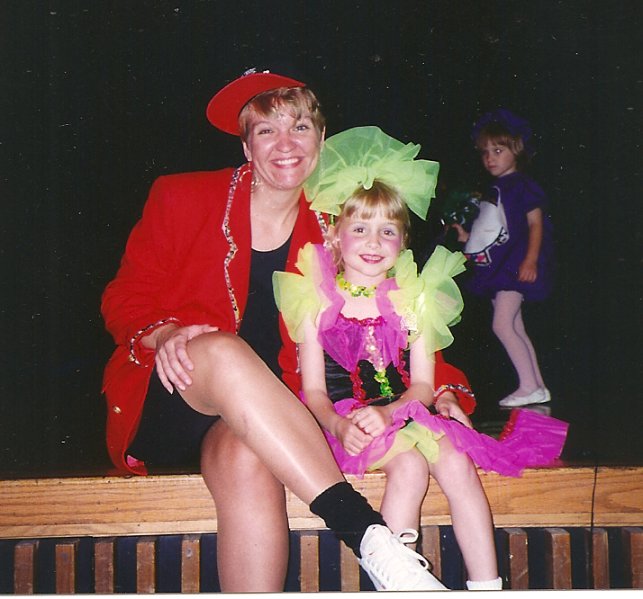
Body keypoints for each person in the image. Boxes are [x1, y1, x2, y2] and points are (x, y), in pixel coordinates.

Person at [101, 70, 463, 591]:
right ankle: (368, 536)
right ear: (246, 145)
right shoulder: (183, 197)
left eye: (299, 127)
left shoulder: (337, 223)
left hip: (272, 420)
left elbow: (397, 311)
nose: (286, 144)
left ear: (321, 139)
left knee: (246, 456)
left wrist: (442, 386)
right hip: (178, 390)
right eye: (267, 130)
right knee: (223, 350)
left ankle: (374, 554)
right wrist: (164, 332)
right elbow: (123, 296)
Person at [274, 126, 568, 591]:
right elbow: (311, 390)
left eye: (387, 231)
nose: (374, 242)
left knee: (456, 463)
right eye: (360, 229)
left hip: (405, 410)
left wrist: (393, 411)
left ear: (402, 241)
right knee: (409, 467)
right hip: (347, 421)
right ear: (335, 237)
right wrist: (339, 425)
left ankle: (487, 584)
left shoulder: (413, 300)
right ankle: (399, 580)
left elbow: (423, 387)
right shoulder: (314, 300)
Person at [453, 109, 554, 408]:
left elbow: (536, 224)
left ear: (516, 150)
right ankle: (537, 386)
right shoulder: (496, 188)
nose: (490, 158)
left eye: (498, 150)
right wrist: (465, 238)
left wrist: (531, 260)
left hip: (512, 267)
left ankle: (527, 386)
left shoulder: (522, 185)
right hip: (500, 268)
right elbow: (491, 230)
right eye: (485, 152)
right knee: (516, 327)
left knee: (501, 325)